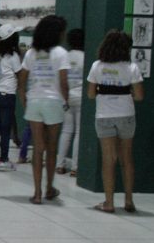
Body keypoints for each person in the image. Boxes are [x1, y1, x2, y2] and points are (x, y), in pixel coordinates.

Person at [87, 30, 144, 213]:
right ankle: (128, 200)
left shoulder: (97, 66)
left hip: (104, 115)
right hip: (126, 115)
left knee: (108, 159)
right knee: (126, 158)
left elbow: (90, 94)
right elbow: (140, 96)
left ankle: (109, 202)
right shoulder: (132, 68)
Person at [21, 16, 70, 204]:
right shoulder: (60, 53)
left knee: (38, 148)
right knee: (51, 148)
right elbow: (64, 82)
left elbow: (23, 80)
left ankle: (37, 192)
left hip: (34, 101)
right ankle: (49, 187)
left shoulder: (31, 53)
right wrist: (66, 101)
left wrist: (25, 100)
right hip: (54, 102)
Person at [0, 25, 24, 172]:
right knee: (5, 128)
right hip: (7, 93)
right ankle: (3, 160)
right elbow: (20, 74)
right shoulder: (12, 55)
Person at [57, 28, 85, 176]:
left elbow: (61, 79)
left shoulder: (64, 56)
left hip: (66, 96)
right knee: (79, 132)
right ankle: (75, 167)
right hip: (80, 97)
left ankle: (60, 165)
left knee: (66, 131)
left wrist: (65, 97)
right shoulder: (85, 57)